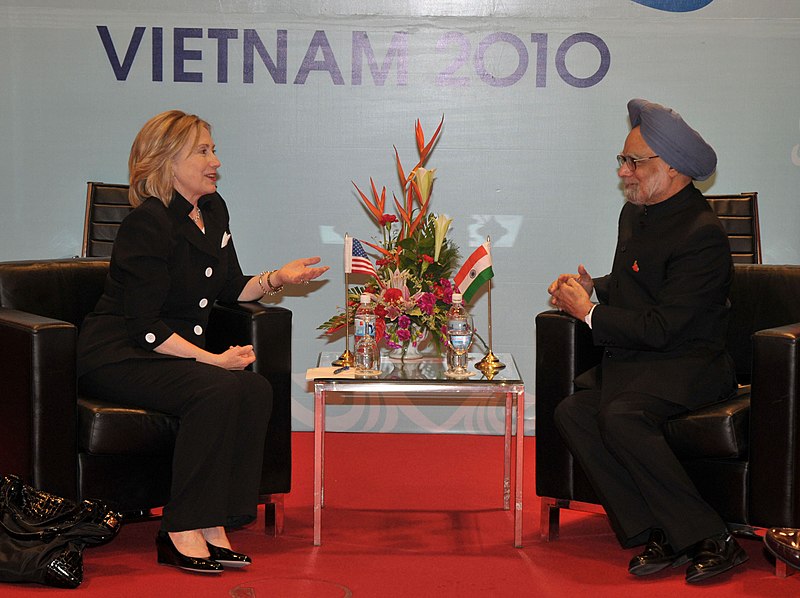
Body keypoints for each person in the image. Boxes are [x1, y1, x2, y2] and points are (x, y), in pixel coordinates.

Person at [77, 110, 328, 574]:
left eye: (213, 149)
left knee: (254, 388)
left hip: (168, 351)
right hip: (119, 353)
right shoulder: (146, 224)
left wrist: (278, 278)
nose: (215, 160)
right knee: (215, 389)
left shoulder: (212, 210)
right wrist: (212, 360)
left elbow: (230, 285)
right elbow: (145, 328)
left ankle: (216, 522)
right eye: (203, 151)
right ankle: (179, 529)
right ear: (168, 161)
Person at [548, 98, 748, 584]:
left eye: (635, 162)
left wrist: (589, 313)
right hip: (644, 363)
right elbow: (639, 281)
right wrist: (595, 287)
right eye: (624, 160)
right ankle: (657, 528)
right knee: (571, 411)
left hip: (690, 364)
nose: (625, 172)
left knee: (621, 415)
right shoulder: (634, 214)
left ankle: (714, 537)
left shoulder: (702, 233)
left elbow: (665, 326)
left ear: (673, 167)